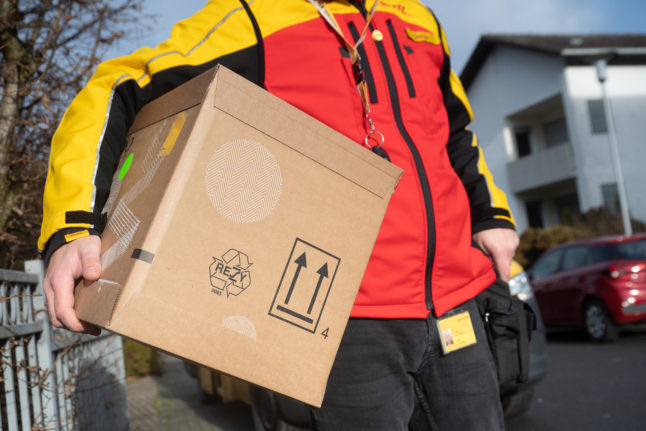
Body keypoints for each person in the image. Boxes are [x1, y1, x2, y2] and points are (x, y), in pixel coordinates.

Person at [39, 1, 519, 429]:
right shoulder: (252, 15)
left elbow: (455, 133)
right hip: (347, 321)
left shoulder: (420, 19)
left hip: (461, 302)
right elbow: (115, 87)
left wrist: (492, 215)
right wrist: (73, 226)